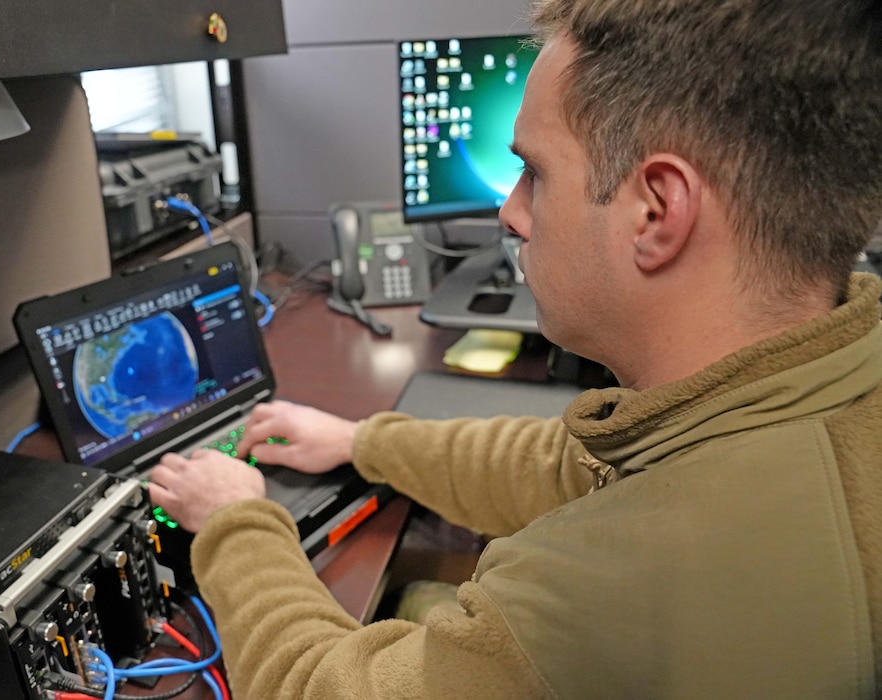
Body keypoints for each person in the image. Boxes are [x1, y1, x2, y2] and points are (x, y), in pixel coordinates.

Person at [148, 0, 882, 696]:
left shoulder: (619, 580)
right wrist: (361, 440)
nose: (510, 211)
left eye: (535, 173)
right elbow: (559, 465)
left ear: (657, 211)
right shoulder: (816, 376)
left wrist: (237, 521)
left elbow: (315, 688)